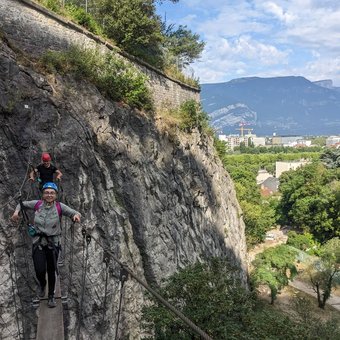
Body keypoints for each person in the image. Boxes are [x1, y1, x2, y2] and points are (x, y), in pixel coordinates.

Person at [11, 182, 81, 308]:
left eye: (52, 193)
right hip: (38, 242)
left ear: (56, 195)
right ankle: (42, 284)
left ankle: (51, 296)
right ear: (43, 194)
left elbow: (74, 213)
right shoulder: (37, 204)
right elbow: (21, 205)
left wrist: (76, 216)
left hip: (53, 244)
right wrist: (16, 213)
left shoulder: (60, 207)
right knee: (39, 269)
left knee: (52, 270)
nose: (49, 195)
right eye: (47, 192)